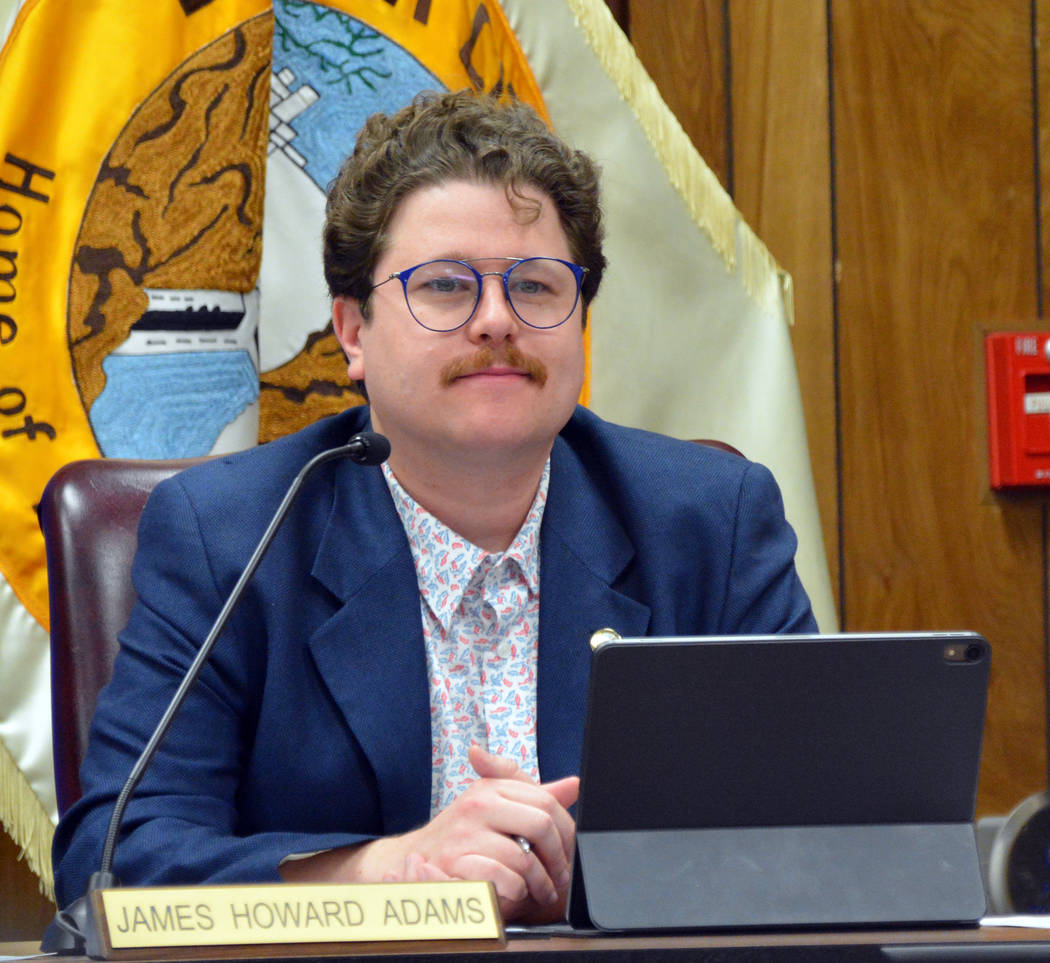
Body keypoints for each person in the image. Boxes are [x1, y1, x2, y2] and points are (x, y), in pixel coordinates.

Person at [52, 90, 816, 924]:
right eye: (447, 287)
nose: (497, 320)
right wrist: (389, 872)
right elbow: (116, 862)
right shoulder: (231, 537)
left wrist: (609, 888)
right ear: (351, 332)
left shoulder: (708, 522)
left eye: (535, 284)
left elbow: (824, 832)